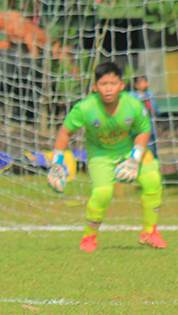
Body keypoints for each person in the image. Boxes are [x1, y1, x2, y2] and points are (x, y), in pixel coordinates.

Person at [47, 60, 166, 252]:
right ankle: (88, 238)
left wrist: (135, 158)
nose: (108, 89)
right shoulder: (85, 108)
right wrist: (57, 162)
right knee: (102, 193)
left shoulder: (133, 105)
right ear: (95, 87)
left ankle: (150, 232)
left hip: (129, 151)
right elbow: (64, 133)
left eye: (113, 84)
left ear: (121, 85)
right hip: (100, 154)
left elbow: (144, 131)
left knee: (153, 179)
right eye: (103, 84)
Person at [129, 75, 159, 159]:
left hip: (150, 131)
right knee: (137, 154)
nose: (147, 84)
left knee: (152, 154)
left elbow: (156, 111)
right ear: (137, 85)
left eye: (146, 82)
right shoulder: (131, 96)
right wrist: (141, 100)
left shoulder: (150, 96)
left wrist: (149, 103)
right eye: (144, 82)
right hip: (136, 132)